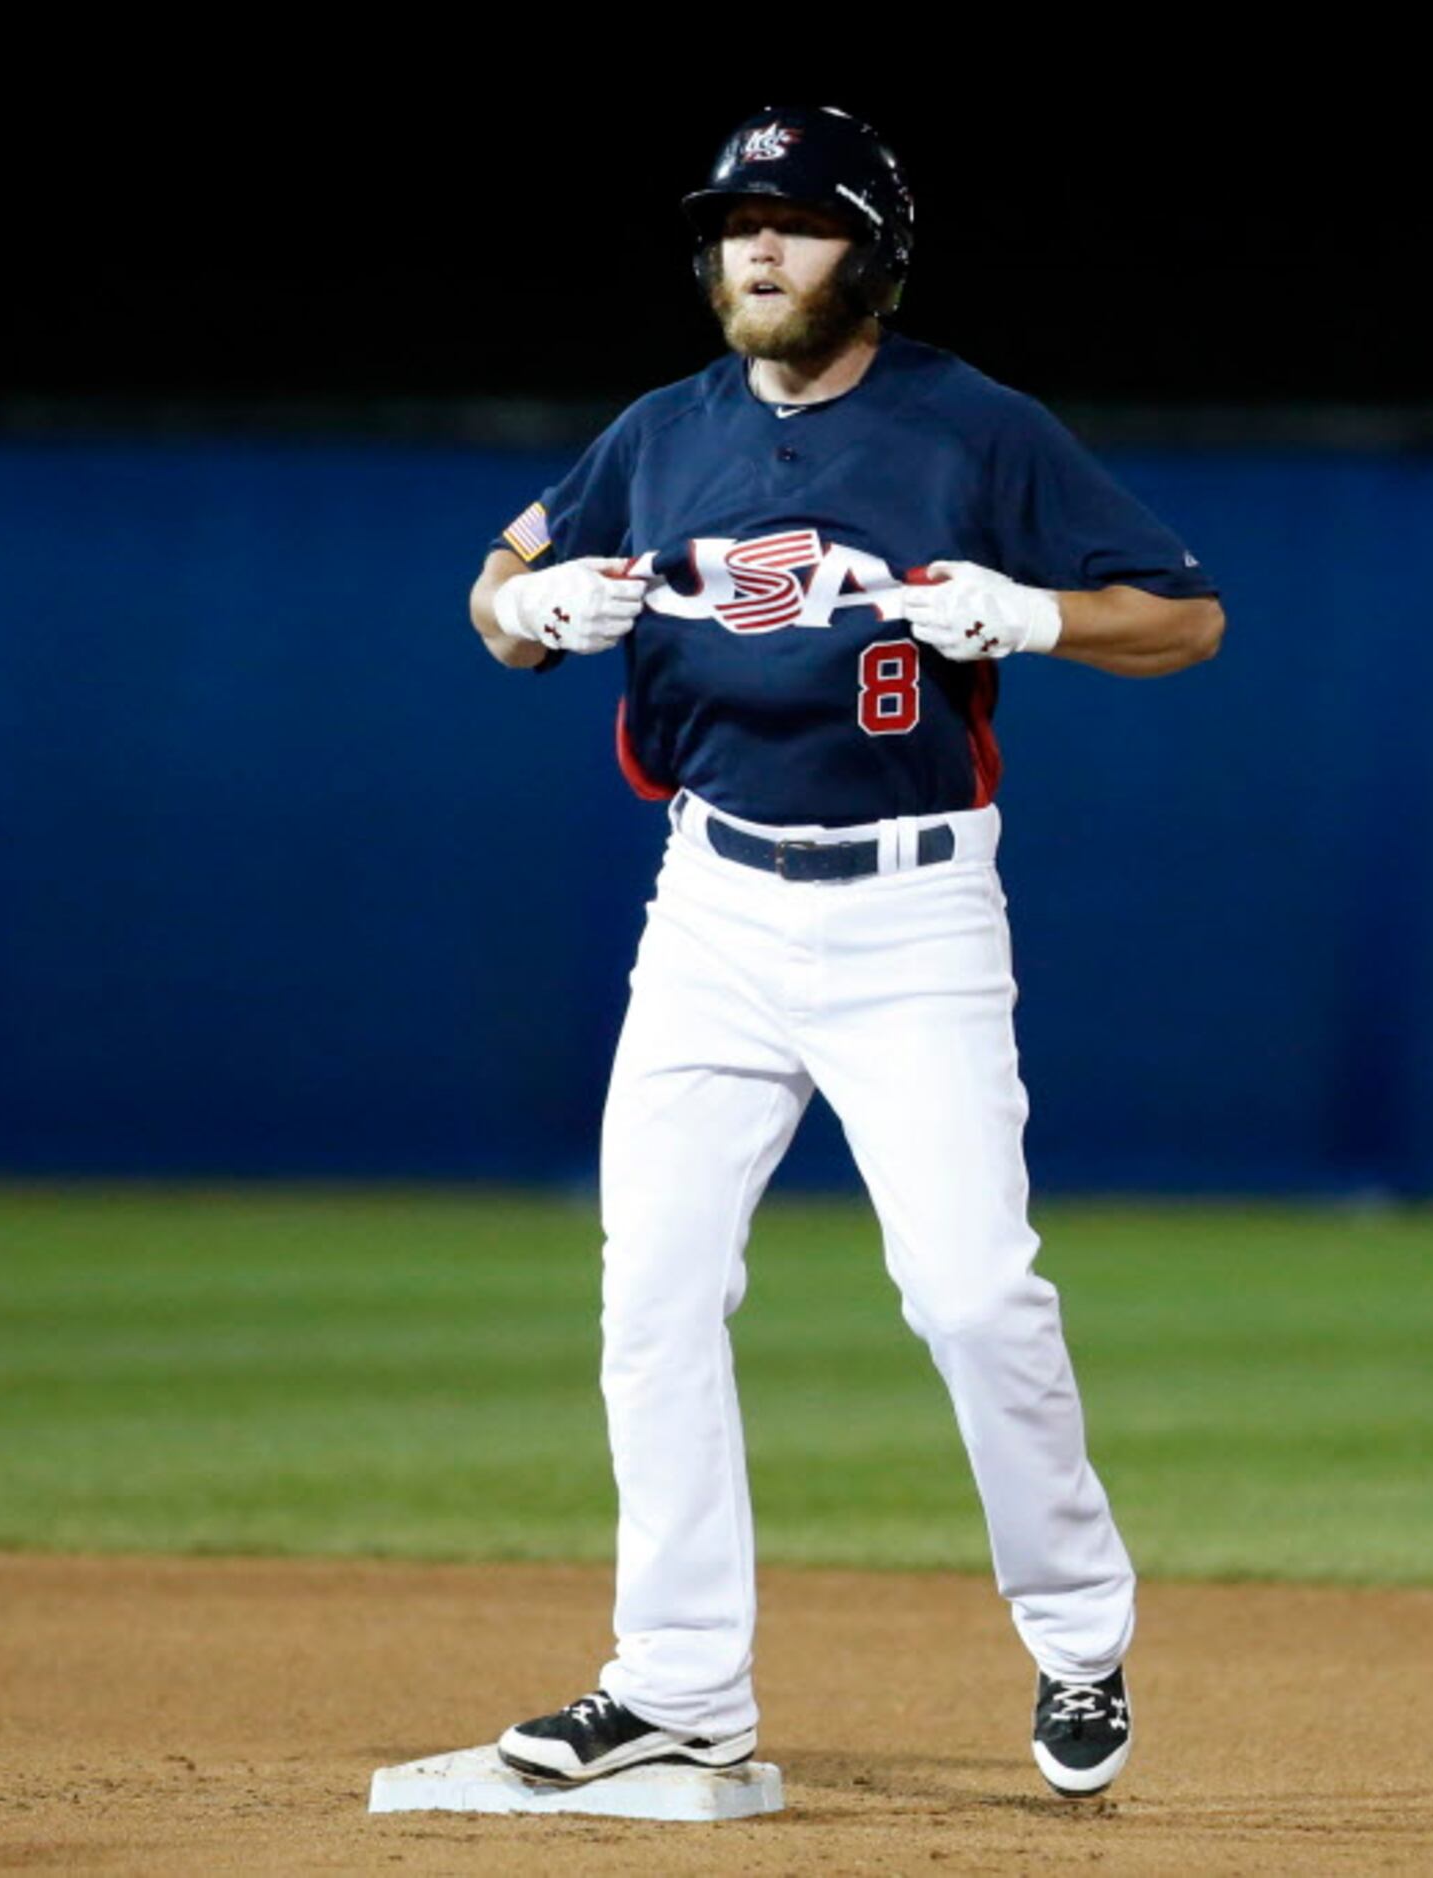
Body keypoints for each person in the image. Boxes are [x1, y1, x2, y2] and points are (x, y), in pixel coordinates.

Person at [466, 104, 1222, 1799]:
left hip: (912, 910)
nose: (755, 248)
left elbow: (1186, 614)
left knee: (969, 1294)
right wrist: (526, 612)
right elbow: (501, 575)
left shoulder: (973, 426)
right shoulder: (661, 432)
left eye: (794, 222)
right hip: (713, 904)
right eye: (735, 223)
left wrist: (1038, 617)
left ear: (866, 250)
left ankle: (1081, 1630)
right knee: (652, 1291)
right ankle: (675, 1683)